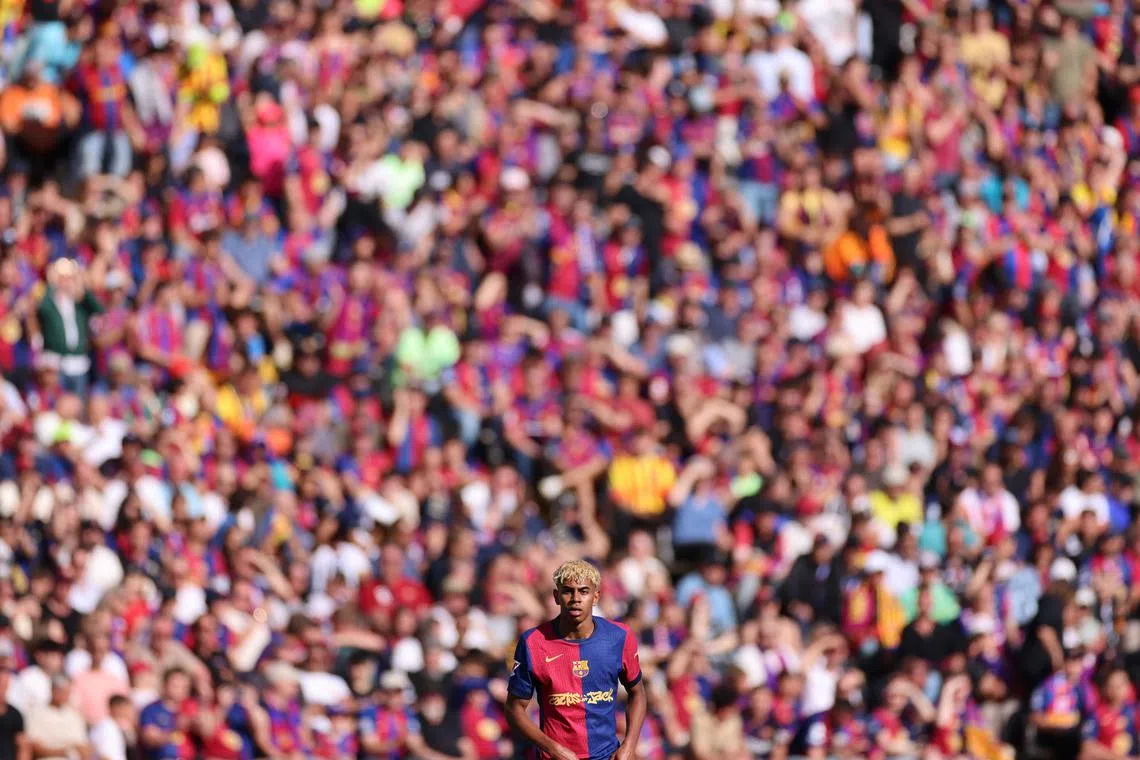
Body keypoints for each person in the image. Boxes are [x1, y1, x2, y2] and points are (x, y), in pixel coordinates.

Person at [506, 560, 647, 760]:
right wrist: (552, 748)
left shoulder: (619, 636)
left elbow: (638, 693)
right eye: (567, 591)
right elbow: (514, 709)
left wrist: (629, 745)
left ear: (596, 596)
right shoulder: (533, 642)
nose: (575, 599)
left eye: (583, 591)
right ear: (556, 596)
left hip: (608, 756)